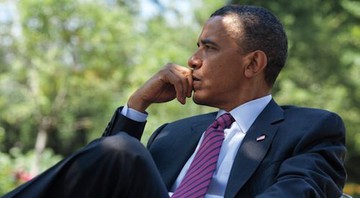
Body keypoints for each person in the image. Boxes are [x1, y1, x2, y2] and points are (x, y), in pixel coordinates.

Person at [3, 4, 346, 198]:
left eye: (209, 48)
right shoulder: (172, 134)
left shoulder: (311, 128)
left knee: (123, 152)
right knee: (121, 151)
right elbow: (100, 184)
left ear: (253, 64)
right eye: (197, 46)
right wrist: (135, 107)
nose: (193, 60)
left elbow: (298, 194)